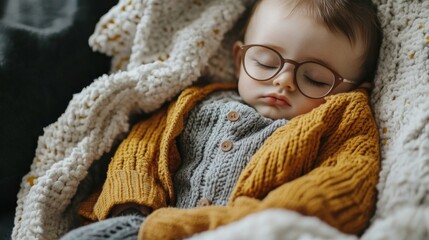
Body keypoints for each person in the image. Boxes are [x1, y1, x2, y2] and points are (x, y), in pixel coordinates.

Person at [62, 0, 382, 239]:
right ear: (239, 59)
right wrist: (132, 207)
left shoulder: (340, 122)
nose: (283, 81)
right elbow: (140, 151)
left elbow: (337, 194)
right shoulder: (196, 102)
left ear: (355, 91)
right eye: (266, 61)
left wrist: (200, 227)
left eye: (314, 78)